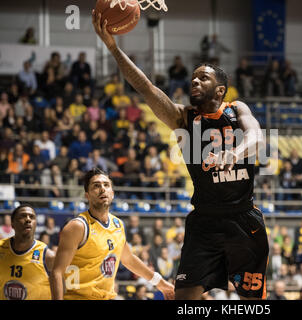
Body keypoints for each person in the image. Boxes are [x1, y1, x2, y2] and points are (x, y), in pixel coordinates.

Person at [93, 11, 269, 300]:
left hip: (243, 220)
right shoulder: (182, 118)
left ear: (220, 89)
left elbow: (257, 137)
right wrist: (113, 48)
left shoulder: (237, 109)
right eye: (193, 78)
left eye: (203, 78)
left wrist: (233, 153)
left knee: (253, 301)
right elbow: (145, 87)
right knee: (183, 298)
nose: (195, 82)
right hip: (204, 222)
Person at [49, 168, 174, 300]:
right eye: (96, 186)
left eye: (106, 185)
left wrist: (160, 283)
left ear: (112, 193)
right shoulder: (78, 226)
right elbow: (57, 272)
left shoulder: (118, 224)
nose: (102, 189)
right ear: (87, 195)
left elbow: (128, 259)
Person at [0, 204, 55, 299]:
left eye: (32, 217)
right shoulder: (1, 248)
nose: (28, 219)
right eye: (23, 216)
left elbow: (60, 291)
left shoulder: (48, 256)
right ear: (12, 224)